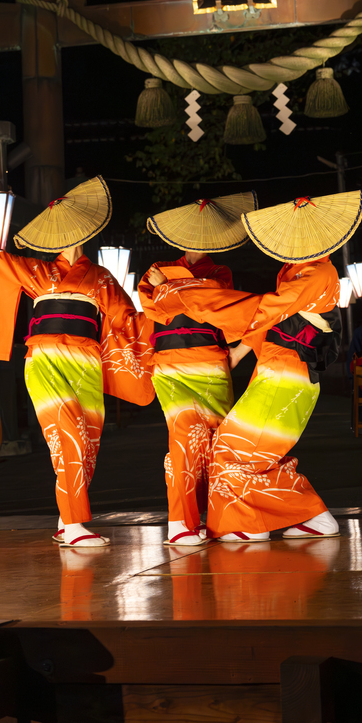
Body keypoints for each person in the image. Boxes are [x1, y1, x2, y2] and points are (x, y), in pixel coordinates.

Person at [0, 176, 154, 548]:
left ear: (85, 233)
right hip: (45, 361)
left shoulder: (101, 278)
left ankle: (65, 519)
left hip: (85, 365)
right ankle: (75, 526)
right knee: (66, 436)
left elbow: (130, 321)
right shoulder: (38, 271)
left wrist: (168, 312)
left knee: (87, 441)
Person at [148, 190, 362, 542]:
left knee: (230, 448)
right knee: (244, 451)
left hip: (288, 375)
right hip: (275, 371)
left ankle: (250, 523)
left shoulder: (318, 273)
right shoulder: (298, 271)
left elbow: (263, 311)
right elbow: (266, 317)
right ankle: (312, 516)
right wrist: (239, 350)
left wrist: (178, 291)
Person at [138, 192, 258, 547]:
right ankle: (180, 522)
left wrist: (168, 287)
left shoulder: (219, 272)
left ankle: (221, 517)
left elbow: (212, 298)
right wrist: (178, 292)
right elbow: (153, 307)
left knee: (219, 441)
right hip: (171, 367)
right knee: (184, 437)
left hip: (211, 365)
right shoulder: (157, 268)